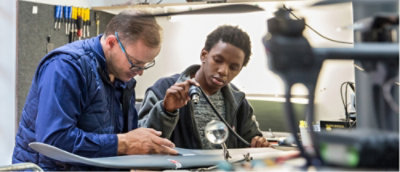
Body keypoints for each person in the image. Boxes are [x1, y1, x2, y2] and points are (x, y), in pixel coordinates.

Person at [12, 10, 177, 171]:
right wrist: (125, 143)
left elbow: (124, 141)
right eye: (135, 63)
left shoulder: (124, 78)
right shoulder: (66, 67)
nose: (140, 72)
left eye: (146, 65)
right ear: (112, 43)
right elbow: (53, 141)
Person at [138, 25, 270, 149]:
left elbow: (251, 144)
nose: (223, 71)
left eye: (233, 67)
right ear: (204, 55)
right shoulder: (164, 89)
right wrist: (166, 111)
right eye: (218, 60)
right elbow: (141, 143)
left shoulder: (239, 102)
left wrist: (258, 144)